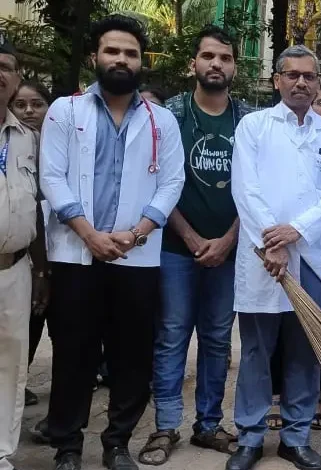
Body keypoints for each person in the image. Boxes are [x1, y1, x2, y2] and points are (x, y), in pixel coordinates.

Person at [39, 15, 185, 470]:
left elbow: (171, 182)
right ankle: (67, 446)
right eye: (113, 51)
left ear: (142, 62)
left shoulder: (162, 121)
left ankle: (117, 442)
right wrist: (89, 234)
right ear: (95, 57)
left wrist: (139, 231)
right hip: (76, 255)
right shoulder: (66, 110)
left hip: (135, 256)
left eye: (131, 53)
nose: (121, 60)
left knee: (131, 355)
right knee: (73, 353)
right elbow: (52, 177)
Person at [226, 45, 321, 470]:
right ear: (276, 79)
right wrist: (273, 242)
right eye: (292, 74)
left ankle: (296, 437)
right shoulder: (254, 126)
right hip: (265, 258)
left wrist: (296, 231)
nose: (301, 82)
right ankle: (250, 436)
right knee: (258, 351)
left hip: (314, 258)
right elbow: (245, 189)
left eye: (310, 76)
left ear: (318, 83)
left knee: (304, 350)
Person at [138, 25, 247, 466]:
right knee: (171, 337)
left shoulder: (248, 121)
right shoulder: (170, 117)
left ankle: (208, 424)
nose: (216, 64)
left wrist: (227, 240)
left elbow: (258, 189)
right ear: (194, 64)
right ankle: (165, 426)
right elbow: (159, 182)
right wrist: (191, 236)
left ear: (234, 67)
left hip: (230, 250)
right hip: (175, 248)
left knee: (219, 339)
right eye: (208, 57)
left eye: (224, 57)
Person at [0, 40, 48, 470]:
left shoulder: (26, 139)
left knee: (10, 367)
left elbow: (34, 206)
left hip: (15, 269)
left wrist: (39, 272)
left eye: (5, 67)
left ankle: (1, 455)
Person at [10, 80, 52, 408]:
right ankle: (15, 382)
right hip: (24, 255)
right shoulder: (8, 146)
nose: (28, 111)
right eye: (20, 104)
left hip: (62, 252)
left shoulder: (57, 145)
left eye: (37, 104)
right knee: (25, 323)